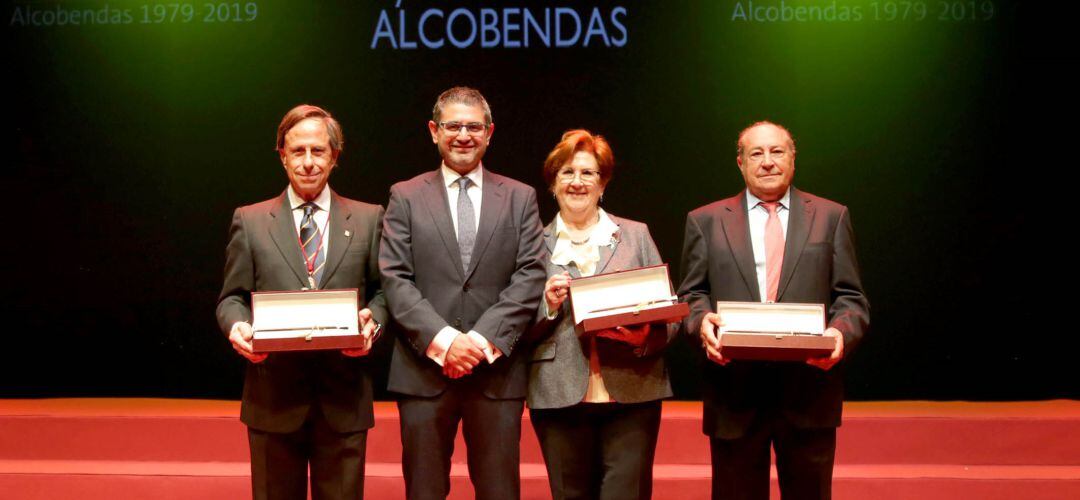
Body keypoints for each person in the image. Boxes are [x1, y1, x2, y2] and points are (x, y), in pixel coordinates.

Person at [677, 121, 870, 500]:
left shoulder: (832, 217)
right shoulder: (706, 221)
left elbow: (851, 299)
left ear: (792, 159)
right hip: (734, 394)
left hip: (809, 393)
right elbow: (691, 295)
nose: (767, 162)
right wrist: (701, 324)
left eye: (777, 152)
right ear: (740, 163)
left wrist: (839, 335)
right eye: (756, 153)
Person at [379, 86, 547, 500]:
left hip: (495, 371)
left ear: (490, 133)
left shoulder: (520, 197)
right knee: (424, 491)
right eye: (453, 126)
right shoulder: (405, 195)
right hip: (423, 370)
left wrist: (478, 341)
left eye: (474, 127)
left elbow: (530, 275)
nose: (463, 136)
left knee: (499, 491)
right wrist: (446, 342)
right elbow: (395, 277)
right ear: (434, 131)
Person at [216, 104, 387, 500]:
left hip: (343, 400)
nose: (308, 162)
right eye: (298, 151)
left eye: (318, 151)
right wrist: (237, 327)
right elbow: (231, 298)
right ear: (282, 155)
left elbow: (384, 294)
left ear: (335, 156)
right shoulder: (251, 220)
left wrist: (372, 324)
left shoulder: (368, 218)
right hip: (273, 401)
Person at [526, 130, 679, 500]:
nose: (577, 182)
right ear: (552, 183)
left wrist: (646, 339)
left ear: (603, 182)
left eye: (588, 173)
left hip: (633, 389)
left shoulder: (636, 236)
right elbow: (511, 321)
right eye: (566, 173)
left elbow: (671, 315)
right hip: (558, 392)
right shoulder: (531, 242)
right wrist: (547, 305)